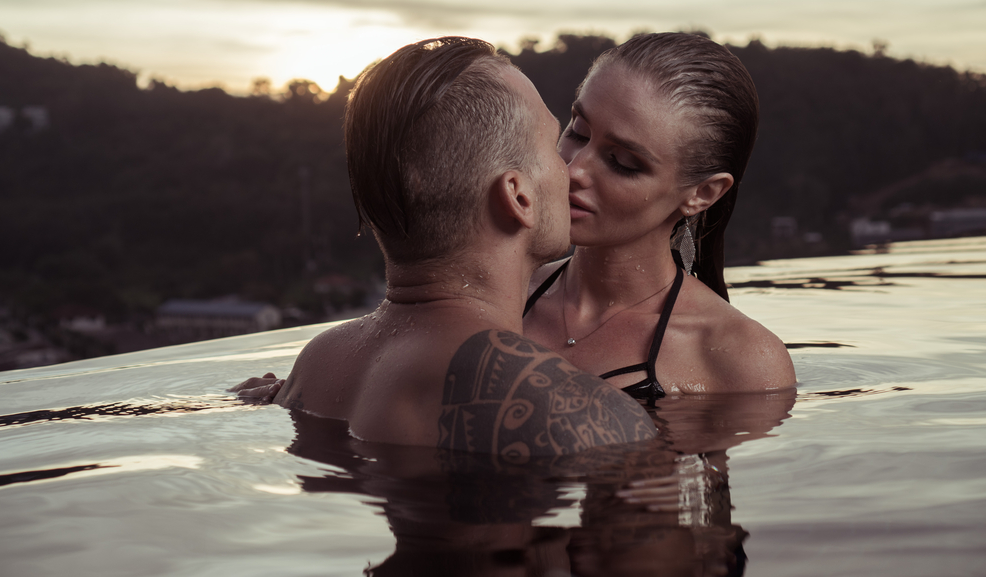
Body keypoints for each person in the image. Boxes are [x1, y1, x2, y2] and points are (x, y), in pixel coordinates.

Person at [247, 37, 656, 458]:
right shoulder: (575, 411)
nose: (572, 170)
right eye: (555, 147)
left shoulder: (317, 364)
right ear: (519, 197)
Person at [521, 32, 795, 400]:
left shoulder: (739, 359)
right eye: (578, 132)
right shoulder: (497, 299)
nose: (574, 170)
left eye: (623, 163)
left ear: (702, 194)